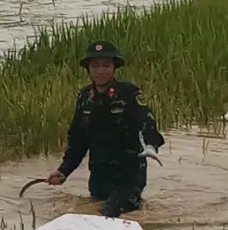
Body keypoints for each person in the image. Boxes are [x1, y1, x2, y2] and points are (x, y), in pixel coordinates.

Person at [47, 40, 164, 218]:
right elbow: (77, 139)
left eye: (106, 65)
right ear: (88, 69)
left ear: (114, 68)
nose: (100, 71)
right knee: (93, 213)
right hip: (99, 175)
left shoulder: (129, 93)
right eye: (95, 66)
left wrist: (151, 145)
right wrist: (63, 171)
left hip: (128, 174)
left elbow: (147, 122)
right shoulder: (85, 97)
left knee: (109, 214)